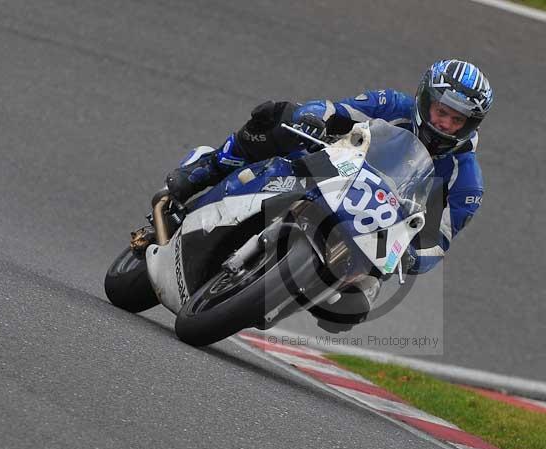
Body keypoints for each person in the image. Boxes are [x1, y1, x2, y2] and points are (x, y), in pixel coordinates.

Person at [165, 59, 493, 332]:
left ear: (470, 125)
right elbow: (334, 109)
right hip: (332, 173)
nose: (445, 123)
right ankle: (207, 168)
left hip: (369, 231)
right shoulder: (393, 105)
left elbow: (439, 241)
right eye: (441, 112)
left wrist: (410, 255)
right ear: (425, 100)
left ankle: (280, 294)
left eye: (456, 120)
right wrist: (312, 117)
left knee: (351, 309)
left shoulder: (466, 181)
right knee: (276, 116)